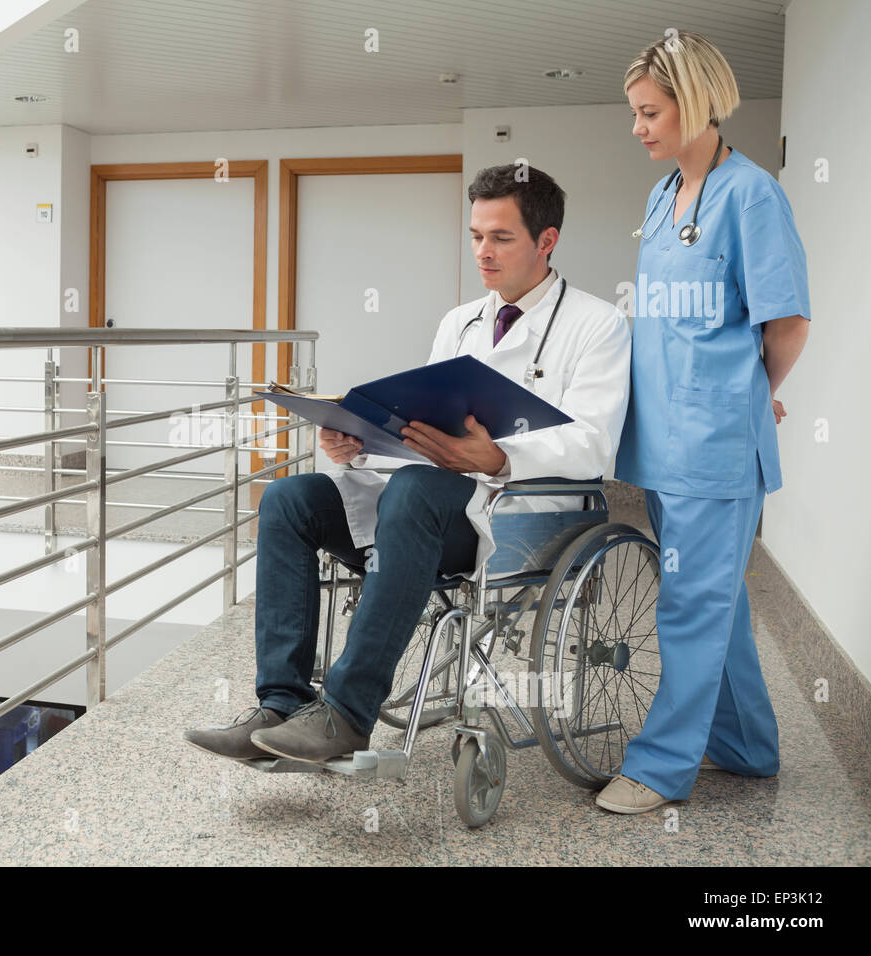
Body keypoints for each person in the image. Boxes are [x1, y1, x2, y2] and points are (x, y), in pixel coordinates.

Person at [184, 164, 632, 764]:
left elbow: (595, 442)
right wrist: (359, 442)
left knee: (417, 491)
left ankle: (346, 714)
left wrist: (499, 456)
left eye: (500, 238)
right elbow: (422, 427)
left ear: (546, 241)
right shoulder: (461, 322)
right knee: (287, 500)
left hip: (522, 512)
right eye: (475, 235)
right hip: (427, 505)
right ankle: (281, 703)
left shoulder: (597, 323)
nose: (483, 252)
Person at [596, 30, 810, 814]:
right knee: (716, 600)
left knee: (690, 603)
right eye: (636, 114)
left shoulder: (752, 194)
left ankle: (659, 767)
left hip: (715, 445)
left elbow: (786, 321)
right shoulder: (661, 197)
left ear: (697, 102)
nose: (639, 127)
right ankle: (747, 746)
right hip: (663, 440)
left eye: (650, 112)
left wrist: (750, 392)